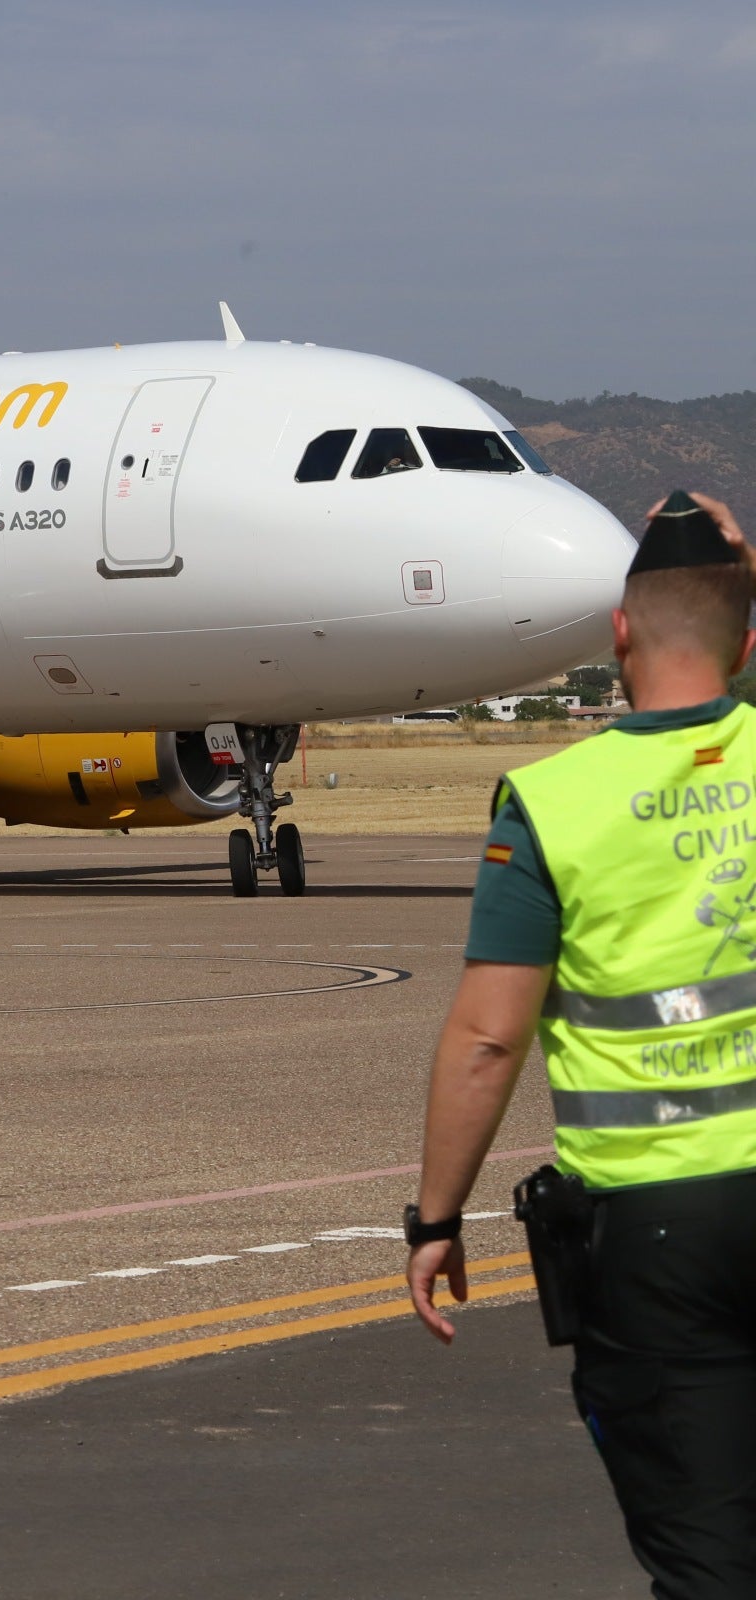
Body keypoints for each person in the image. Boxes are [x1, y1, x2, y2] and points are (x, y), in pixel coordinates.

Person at [408, 490, 756, 1597]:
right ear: (750, 642)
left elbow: (488, 1040)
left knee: (709, 1559)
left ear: (616, 634)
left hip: (659, 1235)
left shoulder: (554, 804)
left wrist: (434, 1216)